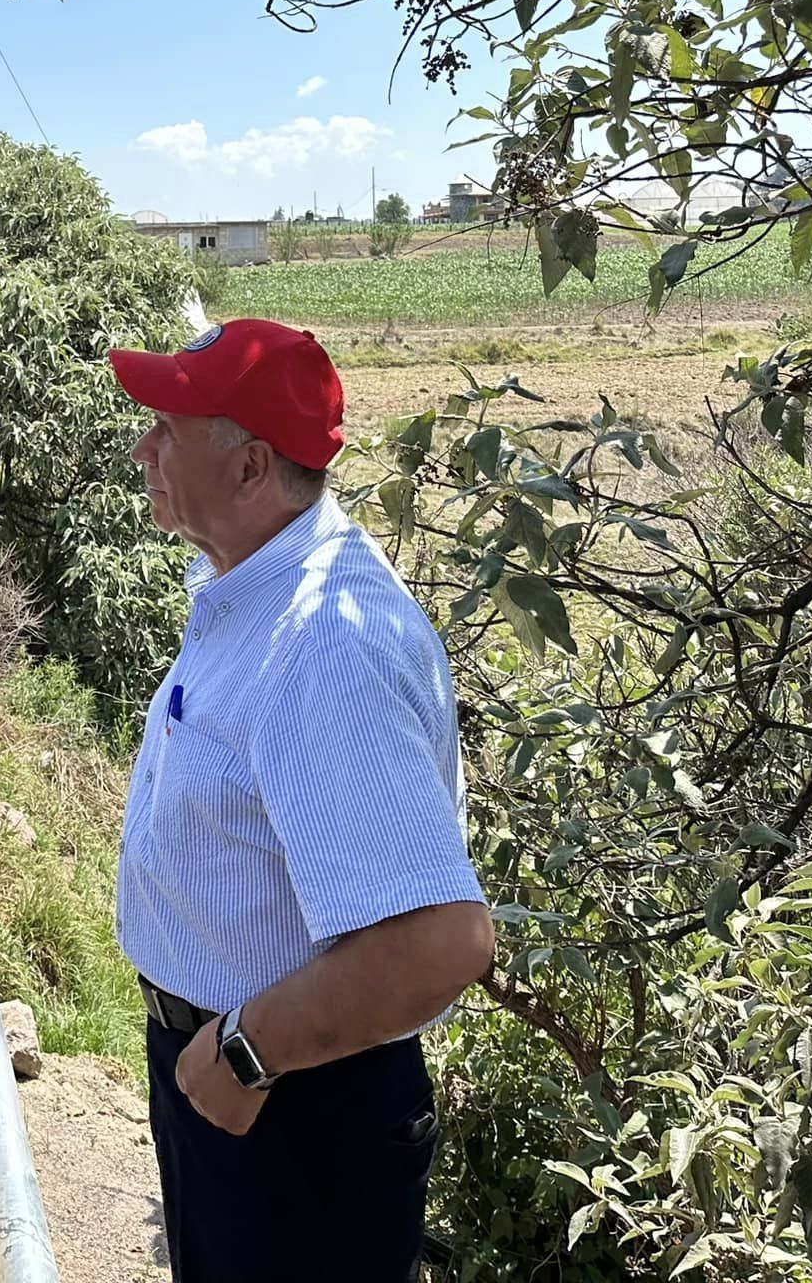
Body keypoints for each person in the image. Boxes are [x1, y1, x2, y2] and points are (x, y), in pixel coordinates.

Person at [105, 318, 496, 1283]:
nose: (141, 446)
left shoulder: (321, 642)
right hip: (241, 1082)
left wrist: (240, 1057)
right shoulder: (256, 585)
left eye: (170, 425)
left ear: (249, 468)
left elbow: (439, 941)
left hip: (292, 1106)